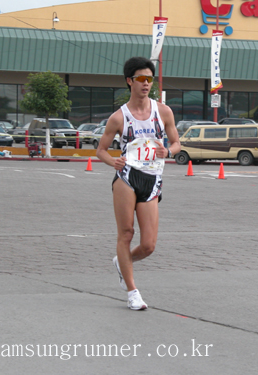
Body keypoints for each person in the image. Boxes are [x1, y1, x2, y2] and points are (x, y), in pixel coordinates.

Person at [96, 57, 181, 311]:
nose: (146, 84)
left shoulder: (163, 112)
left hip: (152, 178)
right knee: (126, 233)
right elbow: (101, 150)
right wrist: (114, 162)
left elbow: (176, 143)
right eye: (141, 79)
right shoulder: (118, 117)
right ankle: (133, 292)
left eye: (149, 79)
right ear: (129, 81)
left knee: (148, 245)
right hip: (127, 178)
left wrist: (169, 150)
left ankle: (122, 262)